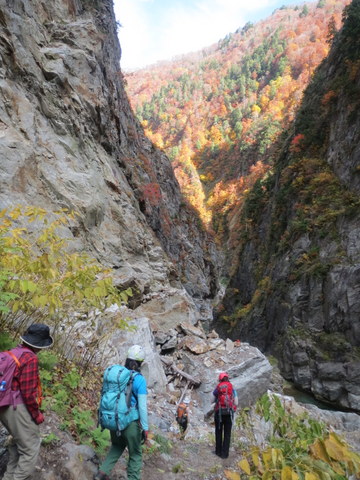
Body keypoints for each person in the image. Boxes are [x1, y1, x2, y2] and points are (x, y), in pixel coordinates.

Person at [0, 323, 54, 480]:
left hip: (4, 405)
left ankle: (8, 477)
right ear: (40, 345)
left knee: (18, 444)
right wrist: (37, 415)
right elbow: (29, 393)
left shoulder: (13, 353)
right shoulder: (30, 358)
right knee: (30, 449)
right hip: (16, 407)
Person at [95, 345, 149, 480]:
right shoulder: (139, 379)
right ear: (140, 363)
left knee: (117, 445)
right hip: (130, 423)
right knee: (135, 454)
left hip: (116, 419)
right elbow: (142, 407)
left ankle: (102, 473)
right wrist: (145, 427)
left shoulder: (119, 375)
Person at [212, 371, 238, 459]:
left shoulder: (218, 387)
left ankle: (218, 451)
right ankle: (225, 454)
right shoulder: (231, 387)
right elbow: (236, 402)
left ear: (220, 379)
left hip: (219, 413)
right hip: (229, 413)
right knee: (227, 433)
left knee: (218, 432)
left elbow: (211, 400)